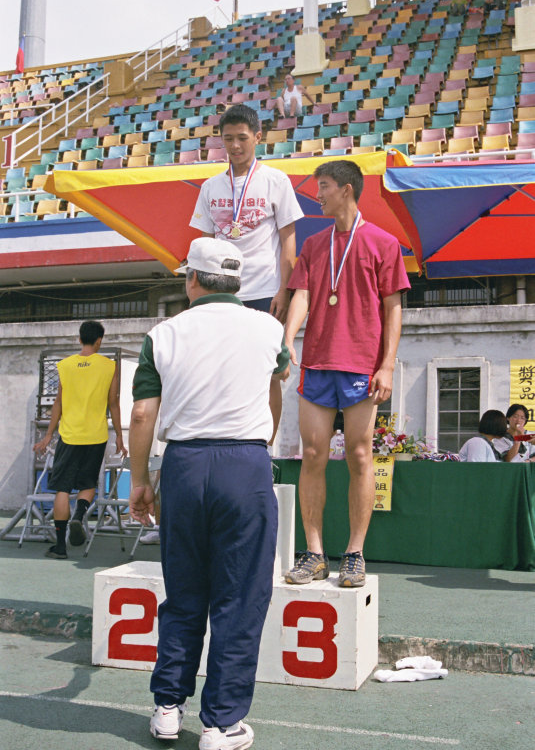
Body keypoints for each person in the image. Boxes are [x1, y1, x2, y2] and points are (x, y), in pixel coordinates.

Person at [128, 237, 290, 748]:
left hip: (184, 463)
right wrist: (260, 446)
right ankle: (221, 723)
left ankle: (168, 707)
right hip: (245, 461)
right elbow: (275, 386)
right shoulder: (269, 328)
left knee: (185, 592)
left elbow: (141, 415)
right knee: (240, 597)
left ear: (191, 280)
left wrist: (139, 480)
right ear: (236, 283)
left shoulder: (164, 333)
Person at [283, 160, 410, 588]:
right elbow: (301, 294)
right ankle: (314, 553)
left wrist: (387, 364)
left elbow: (394, 309)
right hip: (317, 361)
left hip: (360, 363)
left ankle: (354, 552)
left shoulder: (383, 242)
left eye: (324, 187)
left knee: (359, 455)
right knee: (313, 456)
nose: (317, 194)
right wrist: (287, 339)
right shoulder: (314, 245)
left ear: (347, 190)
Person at [190, 103, 303, 442]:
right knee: (219, 368)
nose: (235, 146)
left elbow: (288, 241)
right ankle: (224, 437)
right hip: (221, 292)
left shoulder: (276, 181)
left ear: (258, 137)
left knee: (270, 370)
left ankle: (264, 447)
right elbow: (204, 244)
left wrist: (284, 290)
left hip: (265, 290)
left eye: (242, 138)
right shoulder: (211, 187)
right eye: (228, 140)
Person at [33, 320, 127, 559]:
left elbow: (58, 404)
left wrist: (48, 436)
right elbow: (113, 403)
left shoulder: (65, 365)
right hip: (95, 435)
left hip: (70, 435)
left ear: (79, 339)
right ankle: (80, 514)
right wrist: (119, 437)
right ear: (99, 341)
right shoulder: (109, 366)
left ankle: (60, 547)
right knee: (88, 485)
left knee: (62, 488)